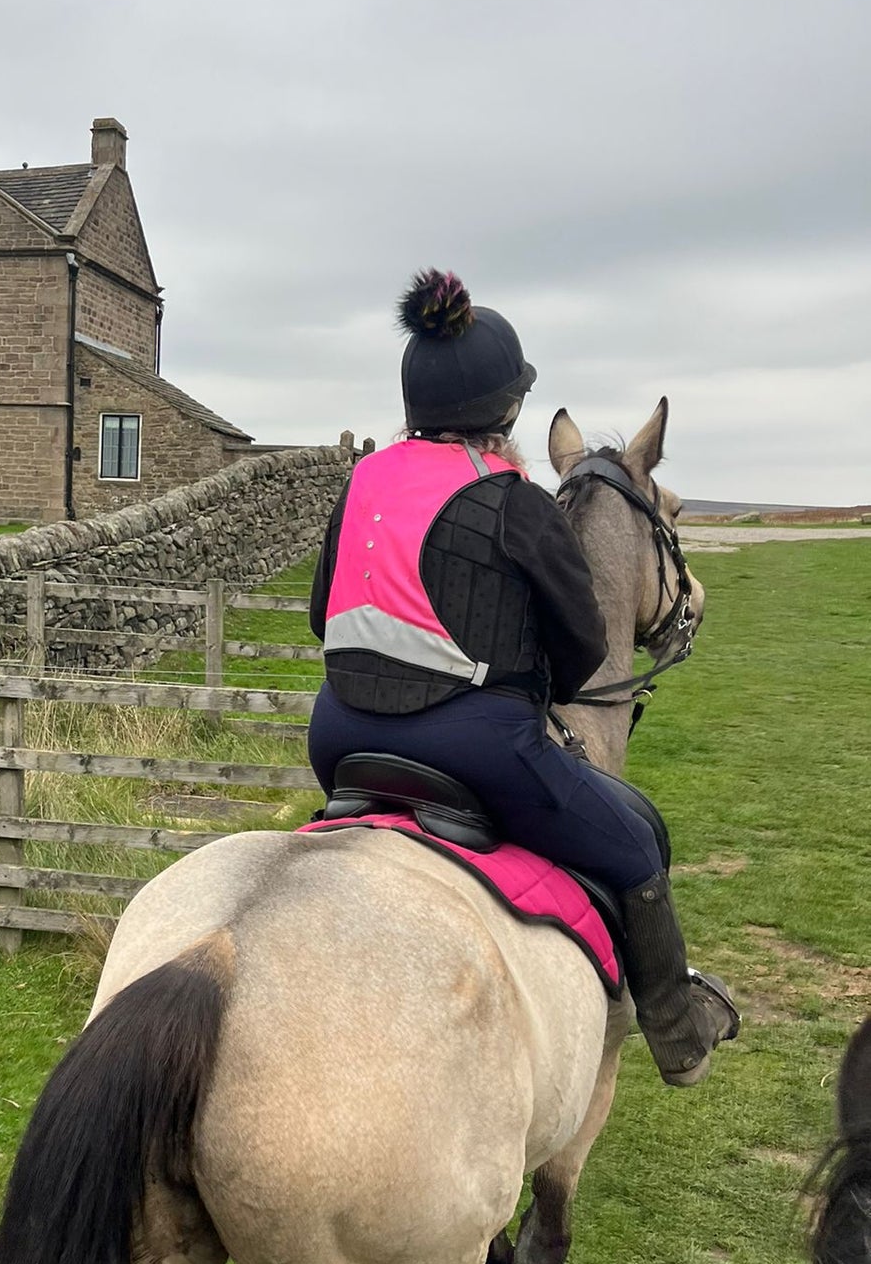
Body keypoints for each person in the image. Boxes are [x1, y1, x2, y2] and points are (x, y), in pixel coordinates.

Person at [307, 268, 738, 1086]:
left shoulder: (359, 482)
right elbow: (580, 661)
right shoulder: (512, 497)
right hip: (477, 750)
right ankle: (676, 1032)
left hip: (337, 739)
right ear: (505, 412)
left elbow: (320, 616)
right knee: (636, 839)